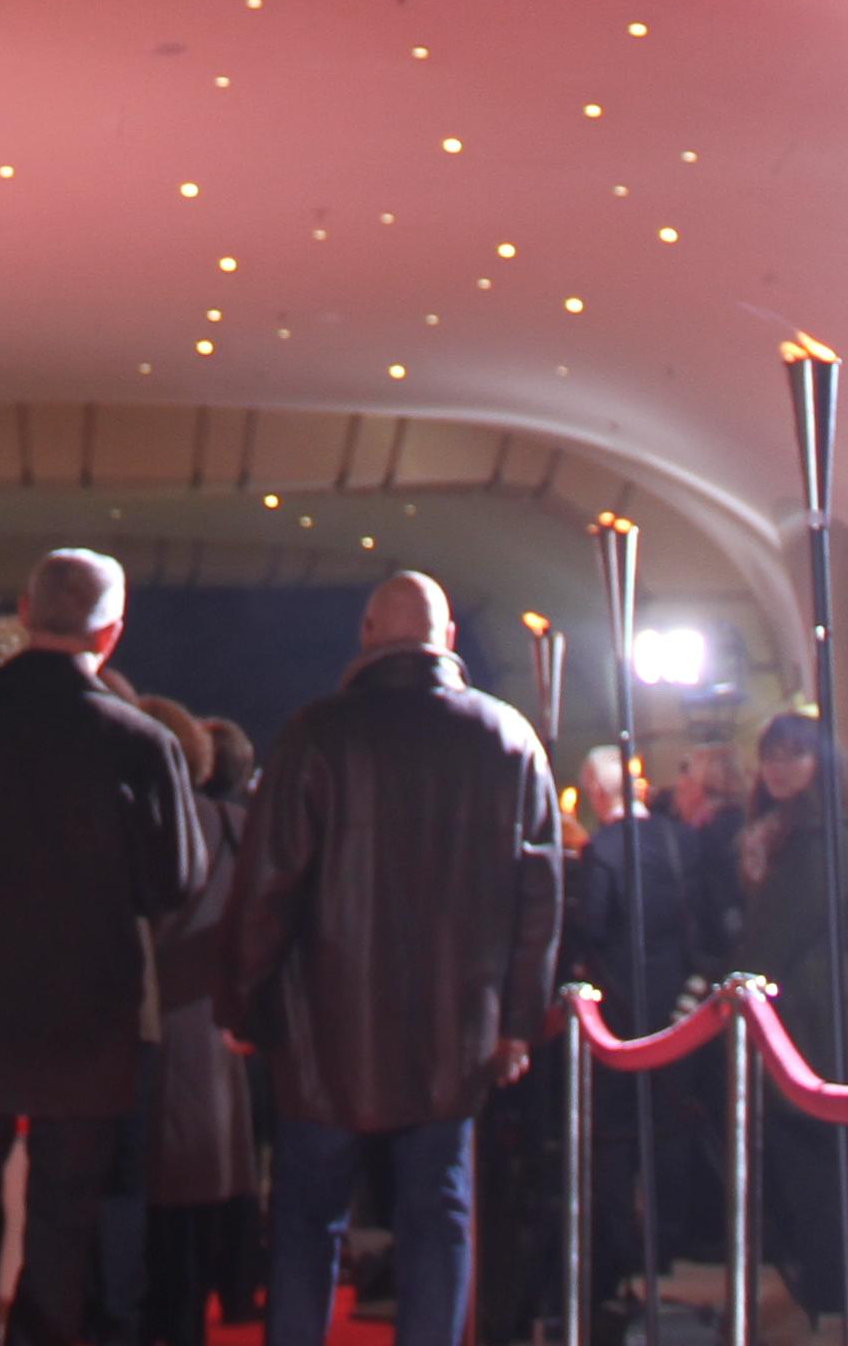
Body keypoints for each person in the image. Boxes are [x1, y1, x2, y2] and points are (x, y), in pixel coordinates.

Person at [0, 552, 207, 1346]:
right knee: (63, 1228)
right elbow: (176, 883)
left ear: (25, 611)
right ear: (113, 631)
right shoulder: (139, 741)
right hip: (87, 1026)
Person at [229, 574, 563, 1346]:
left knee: (308, 1222)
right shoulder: (507, 737)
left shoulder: (316, 734)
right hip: (456, 1033)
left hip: (322, 1034)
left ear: (367, 632)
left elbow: (268, 887)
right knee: (437, 1219)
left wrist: (242, 1004)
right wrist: (516, 1022)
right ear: (447, 638)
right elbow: (539, 898)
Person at [727, 715, 848, 1327]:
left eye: (794, 755)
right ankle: (818, 1289)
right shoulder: (780, 834)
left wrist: (735, 984)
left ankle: (826, 1292)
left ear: (821, 764)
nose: (779, 766)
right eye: (771, 753)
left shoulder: (824, 838)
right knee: (798, 1156)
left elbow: (778, 932)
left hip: (810, 1009)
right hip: (793, 1004)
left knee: (813, 1154)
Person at [568, 742, 730, 1346]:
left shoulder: (601, 851)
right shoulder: (681, 841)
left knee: (615, 1131)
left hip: (618, 1007)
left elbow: (595, 928)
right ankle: (670, 1236)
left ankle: (621, 1241)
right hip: (681, 1004)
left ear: (596, 792)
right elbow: (709, 920)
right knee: (672, 1125)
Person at [142, 714, 260, 1346]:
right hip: (214, 1027)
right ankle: (213, 1300)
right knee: (207, 1180)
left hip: (149, 1019)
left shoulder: (148, 821)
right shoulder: (238, 830)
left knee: (156, 1183)